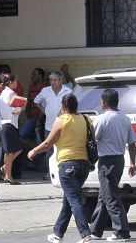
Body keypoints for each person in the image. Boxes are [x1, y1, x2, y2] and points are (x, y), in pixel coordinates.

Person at [28, 94, 94, 243]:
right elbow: (92, 140)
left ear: (63, 106)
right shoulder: (85, 119)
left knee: (74, 200)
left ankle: (85, 234)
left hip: (67, 165)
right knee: (68, 200)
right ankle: (57, 233)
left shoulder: (61, 120)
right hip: (84, 165)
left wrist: (33, 151)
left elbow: (48, 143)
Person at [89, 88, 136, 241]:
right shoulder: (124, 118)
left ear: (103, 102)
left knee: (111, 197)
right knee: (104, 196)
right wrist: (132, 162)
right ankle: (95, 230)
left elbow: (93, 139)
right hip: (119, 160)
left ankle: (122, 232)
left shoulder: (102, 119)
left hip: (107, 162)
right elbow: (132, 143)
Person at [34, 71, 72, 179]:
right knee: (49, 149)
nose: (53, 82)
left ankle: (63, 171)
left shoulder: (68, 91)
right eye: (51, 80)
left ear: (60, 80)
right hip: (49, 126)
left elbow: (72, 106)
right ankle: (50, 172)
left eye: (55, 80)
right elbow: (36, 101)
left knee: (63, 148)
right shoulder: (45, 90)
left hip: (64, 125)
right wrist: (44, 110)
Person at [0, 73, 26, 185]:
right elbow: (8, 109)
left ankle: (6, 168)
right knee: (10, 151)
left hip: (9, 124)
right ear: (10, 82)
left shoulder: (6, 92)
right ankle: (8, 175)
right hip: (8, 123)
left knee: (16, 148)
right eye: (15, 81)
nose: (16, 83)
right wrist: (20, 108)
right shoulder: (8, 93)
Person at [20, 67, 48, 142]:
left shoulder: (46, 87)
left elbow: (46, 104)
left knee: (39, 138)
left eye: (34, 74)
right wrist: (28, 113)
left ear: (40, 76)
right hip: (32, 118)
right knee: (23, 134)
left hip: (43, 119)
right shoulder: (31, 87)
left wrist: (40, 118)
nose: (32, 76)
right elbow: (28, 102)